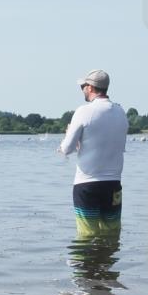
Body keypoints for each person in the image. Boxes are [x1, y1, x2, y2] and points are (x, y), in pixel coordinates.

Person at [57, 70, 128, 238]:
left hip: (87, 185)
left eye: (83, 86)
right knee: (112, 235)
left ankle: (89, 264)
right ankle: (107, 263)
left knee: (87, 237)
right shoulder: (121, 112)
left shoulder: (83, 111)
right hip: (113, 185)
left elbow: (66, 149)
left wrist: (67, 137)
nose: (82, 89)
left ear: (90, 87)